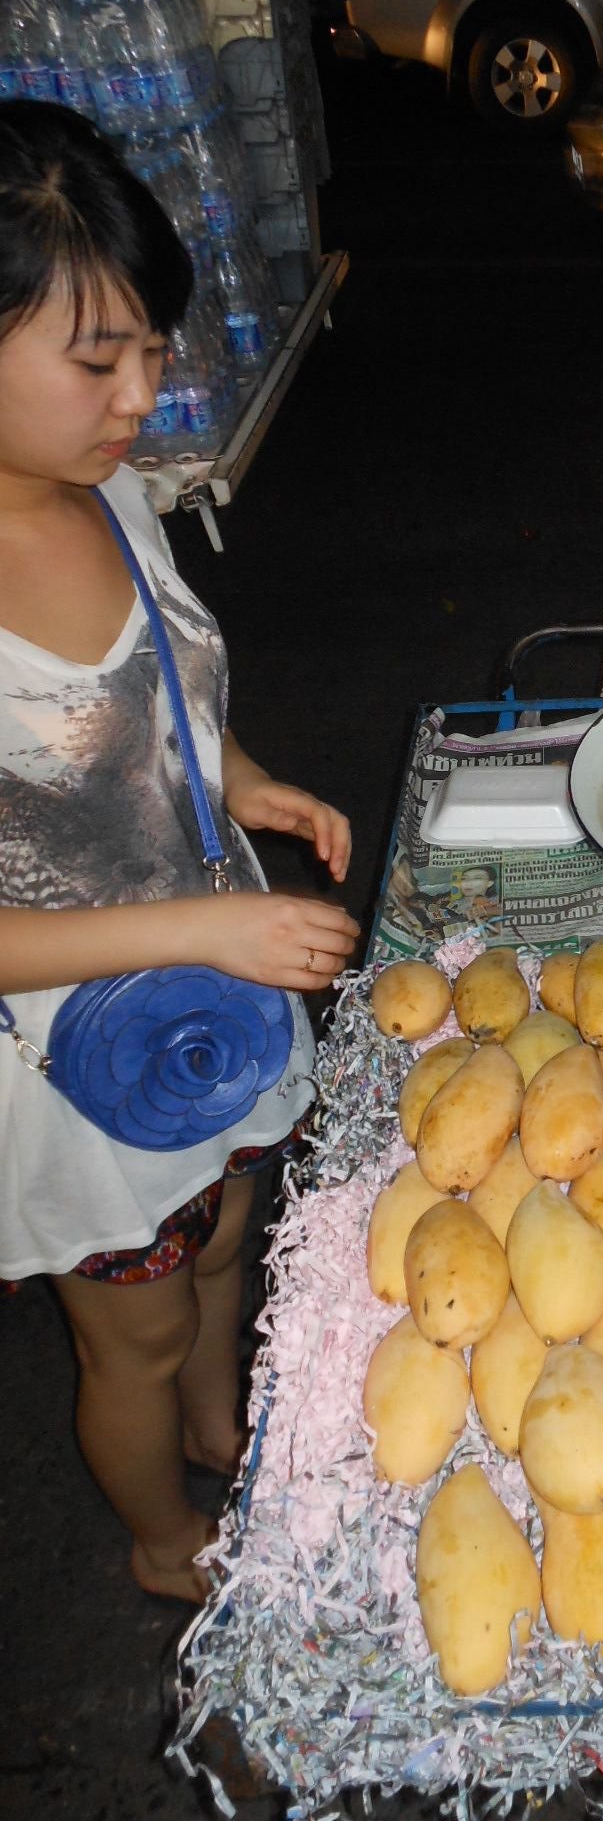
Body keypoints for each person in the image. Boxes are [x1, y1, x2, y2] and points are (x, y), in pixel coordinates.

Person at [0, 101, 360, 1600]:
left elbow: (163, 698)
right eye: (100, 361)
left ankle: (225, 1422)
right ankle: (163, 1541)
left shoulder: (118, 499)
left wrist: (250, 785)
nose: (145, 394)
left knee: (224, 1237)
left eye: (155, 350)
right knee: (132, 1327)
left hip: (216, 994)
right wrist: (201, 931)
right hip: (72, 1058)